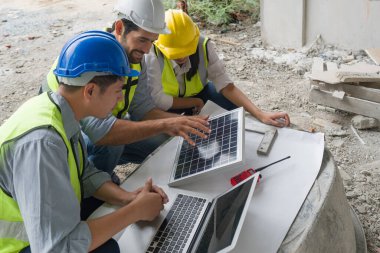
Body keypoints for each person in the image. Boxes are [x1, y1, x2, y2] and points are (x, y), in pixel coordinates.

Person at [0, 31, 169, 253]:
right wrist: (134, 212)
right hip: (18, 246)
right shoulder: (43, 142)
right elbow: (58, 247)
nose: (120, 98)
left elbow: (84, 173)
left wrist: (128, 198)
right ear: (90, 90)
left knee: (108, 209)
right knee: (106, 249)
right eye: (118, 90)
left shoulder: (60, 111)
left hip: (41, 231)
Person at [41, 0, 210, 183]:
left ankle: (101, 174)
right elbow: (103, 133)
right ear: (120, 28)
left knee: (166, 142)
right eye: (142, 39)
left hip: (104, 127)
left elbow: (143, 109)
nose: (146, 50)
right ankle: (92, 186)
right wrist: (166, 124)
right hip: (66, 138)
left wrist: (183, 122)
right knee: (114, 143)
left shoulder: (135, 57)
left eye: (152, 41)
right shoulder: (91, 57)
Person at [146, 9, 290, 127]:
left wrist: (260, 114)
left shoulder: (203, 45)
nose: (182, 57)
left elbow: (225, 85)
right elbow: (159, 100)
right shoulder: (152, 53)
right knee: (164, 135)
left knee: (234, 110)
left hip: (200, 94)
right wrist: (194, 103)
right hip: (168, 106)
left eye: (186, 51)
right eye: (176, 53)